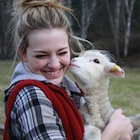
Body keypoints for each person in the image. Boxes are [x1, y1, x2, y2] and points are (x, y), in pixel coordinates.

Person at [4, 0, 133, 139]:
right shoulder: (32, 95)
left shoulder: (68, 90)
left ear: (69, 46)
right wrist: (113, 132)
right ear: (23, 54)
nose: (54, 64)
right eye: (42, 55)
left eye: (62, 53)